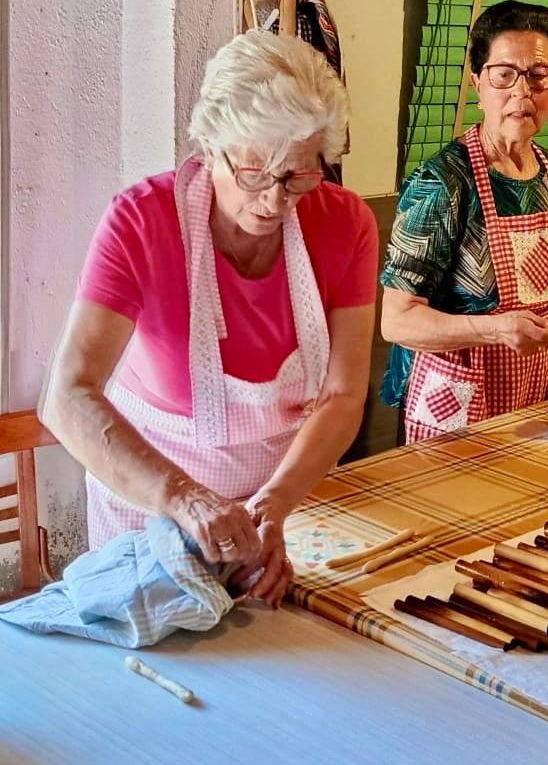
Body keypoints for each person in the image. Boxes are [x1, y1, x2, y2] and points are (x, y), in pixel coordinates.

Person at [41, 31, 378, 607]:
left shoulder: (346, 225)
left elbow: (344, 394)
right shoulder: (140, 223)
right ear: (208, 146)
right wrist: (186, 499)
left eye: (297, 176)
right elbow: (67, 398)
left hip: (281, 503)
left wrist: (273, 505)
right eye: (253, 173)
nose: (274, 201)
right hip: (149, 507)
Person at [380, 0, 548, 443]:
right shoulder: (441, 182)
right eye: (504, 75)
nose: (522, 92)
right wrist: (495, 328)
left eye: (537, 75)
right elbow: (398, 321)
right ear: (478, 83)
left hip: (540, 392)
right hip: (456, 400)